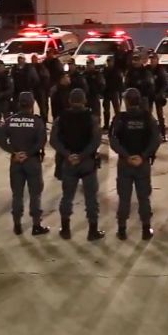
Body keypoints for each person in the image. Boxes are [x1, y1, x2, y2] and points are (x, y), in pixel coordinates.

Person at [51, 88, 103, 241]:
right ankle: (92, 231)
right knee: (91, 198)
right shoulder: (92, 118)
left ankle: (65, 229)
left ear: (69, 101)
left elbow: (53, 140)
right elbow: (96, 140)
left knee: (67, 197)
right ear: (85, 100)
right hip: (87, 162)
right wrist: (82, 156)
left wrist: (68, 155)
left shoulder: (61, 118)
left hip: (68, 162)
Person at [108, 88, 160, 241]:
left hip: (125, 164)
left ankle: (122, 230)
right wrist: (143, 156)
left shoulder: (120, 119)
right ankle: (145, 229)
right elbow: (155, 140)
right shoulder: (148, 118)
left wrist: (126, 156)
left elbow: (113, 140)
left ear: (126, 101)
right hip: (142, 164)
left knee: (124, 198)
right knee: (144, 198)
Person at [0, 92, 49, 236]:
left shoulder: (9, 121)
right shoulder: (37, 122)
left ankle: (17, 225)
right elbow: (41, 141)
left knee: (17, 194)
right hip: (32, 161)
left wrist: (14, 152)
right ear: (32, 104)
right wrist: (29, 153)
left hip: (16, 161)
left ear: (19, 103)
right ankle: (36, 225)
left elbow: (0, 139)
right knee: (35, 194)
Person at [148, 54, 168, 138]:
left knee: (160, 115)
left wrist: (160, 93)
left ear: (157, 60)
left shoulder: (160, 70)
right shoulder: (147, 69)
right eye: (151, 59)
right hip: (149, 95)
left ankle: (163, 133)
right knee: (148, 114)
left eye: (154, 59)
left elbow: (165, 84)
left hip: (158, 95)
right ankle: (148, 133)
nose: (152, 60)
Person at [101, 56, 124, 130]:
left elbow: (120, 81)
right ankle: (106, 125)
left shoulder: (117, 70)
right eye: (108, 61)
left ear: (113, 62)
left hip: (115, 92)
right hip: (106, 92)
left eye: (110, 61)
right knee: (106, 110)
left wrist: (120, 91)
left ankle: (118, 125)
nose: (109, 63)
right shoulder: (104, 70)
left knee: (117, 110)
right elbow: (101, 81)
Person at [83, 57, 105, 121]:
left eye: (89, 63)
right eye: (87, 63)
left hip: (94, 96)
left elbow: (102, 84)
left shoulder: (97, 74)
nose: (88, 65)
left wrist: (99, 92)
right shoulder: (84, 74)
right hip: (86, 97)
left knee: (96, 115)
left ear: (93, 64)